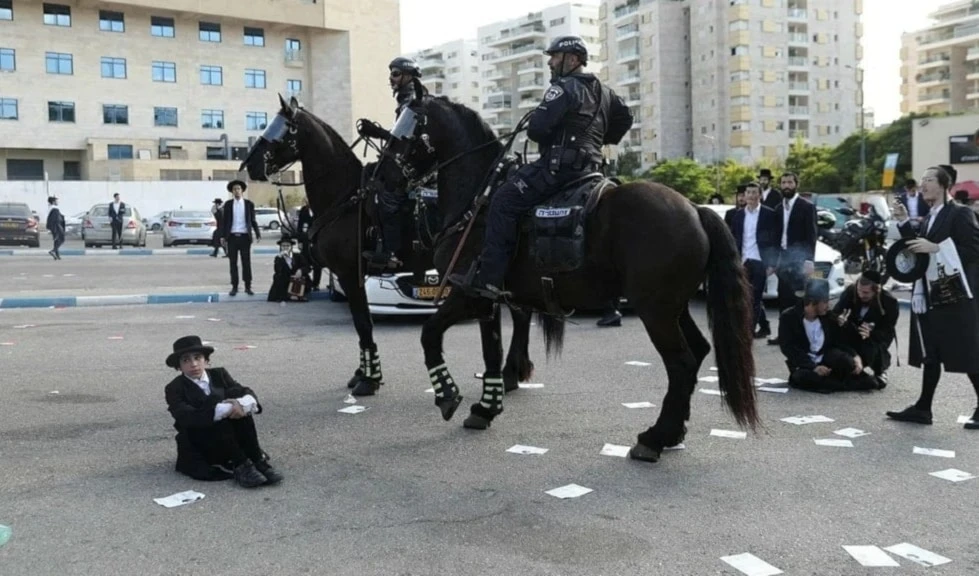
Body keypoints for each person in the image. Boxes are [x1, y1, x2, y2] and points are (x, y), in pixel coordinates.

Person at [449, 35, 634, 299]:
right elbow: (626, 117)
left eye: (555, 57)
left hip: (557, 170)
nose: (550, 62)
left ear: (572, 60)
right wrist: (599, 138)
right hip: (591, 171)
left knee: (503, 200)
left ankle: (489, 279)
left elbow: (537, 130)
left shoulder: (563, 88)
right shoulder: (606, 92)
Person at [886, 165, 979, 429]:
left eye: (929, 179)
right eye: (923, 179)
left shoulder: (960, 213)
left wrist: (938, 247)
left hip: (957, 297)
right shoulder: (930, 216)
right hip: (933, 294)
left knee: (967, 352)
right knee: (933, 352)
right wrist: (904, 222)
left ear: (943, 185)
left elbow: (973, 250)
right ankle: (923, 408)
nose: (923, 183)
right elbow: (919, 251)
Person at [163, 335, 283, 488]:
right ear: (179, 367)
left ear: (206, 360)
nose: (193, 364)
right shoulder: (175, 388)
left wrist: (242, 403)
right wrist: (225, 409)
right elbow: (187, 416)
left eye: (197, 358)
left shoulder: (219, 374)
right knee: (220, 414)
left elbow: (242, 390)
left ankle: (257, 460)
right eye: (186, 360)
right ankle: (241, 466)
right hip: (200, 439)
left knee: (241, 409)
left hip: (230, 436)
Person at [356, 57, 429, 269]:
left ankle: (391, 252)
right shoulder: (405, 99)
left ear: (409, 76)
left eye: (396, 73)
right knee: (368, 174)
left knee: (387, 198)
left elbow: (404, 138)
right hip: (404, 161)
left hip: (417, 166)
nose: (391, 78)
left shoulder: (414, 100)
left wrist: (376, 132)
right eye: (391, 74)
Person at [778, 279, 881, 394]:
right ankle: (841, 383)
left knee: (848, 363)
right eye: (825, 302)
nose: (828, 306)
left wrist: (855, 356)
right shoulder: (789, 317)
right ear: (813, 303)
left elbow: (840, 342)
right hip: (804, 364)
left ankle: (832, 383)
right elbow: (788, 348)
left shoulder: (828, 317)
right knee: (803, 377)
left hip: (826, 359)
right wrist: (813, 367)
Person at [768, 172, 817, 346]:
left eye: (789, 182)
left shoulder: (806, 206)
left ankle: (801, 336)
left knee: (799, 301)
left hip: (799, 260)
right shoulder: (778, 208)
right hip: (783, 261)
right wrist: (773, 263)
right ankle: (783, 336)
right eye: (783, 182)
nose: (786, 185)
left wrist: (809, 261)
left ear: (796, 184)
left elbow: (811, 235)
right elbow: (775, 237)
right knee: (783, 300)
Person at [832, 270, 899, 388]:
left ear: (876, 290)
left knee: (872, 347)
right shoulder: (851, 292)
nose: (861, 295)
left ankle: (879, 370)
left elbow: (888, 332)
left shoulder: (889, 302)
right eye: (859, 291)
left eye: (866, 292)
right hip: (850, 333)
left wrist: (871, 333)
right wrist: (839, 319)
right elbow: (835, 312)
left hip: (873, 340)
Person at [729, 182, 779, 338]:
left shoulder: (769, 214)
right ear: (744, 195)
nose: (750, 195)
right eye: (748, 192)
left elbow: (775, 241)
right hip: (742, 262)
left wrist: (773, 264)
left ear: (760, 195)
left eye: (754, 192)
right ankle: (754, 327)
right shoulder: (738, 215)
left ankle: (748, 332)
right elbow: (733, 239)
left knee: (755, 299)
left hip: (760, 262)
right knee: (742, 298)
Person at [220, 180, 262, 296]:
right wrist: (223, 236)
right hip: (232, 237)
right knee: (233, 263)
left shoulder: (249, 204)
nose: (237, 191)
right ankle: (234, 287)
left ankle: (248, 286)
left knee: (246, 262)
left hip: (245, 237)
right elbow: (224, 222)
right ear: (232, 192)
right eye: (234, 189)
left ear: (242, 190)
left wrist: (257, 232)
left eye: (238, 189)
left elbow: (253, 220)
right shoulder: (228, 204)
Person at [268, 235, 311, 302]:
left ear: (291, 247)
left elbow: (307, 267)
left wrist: (301, 270)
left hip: (297, 280)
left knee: (304, 278)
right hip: (285, 281)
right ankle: (287, 296)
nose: (285, 248)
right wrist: (280, 259)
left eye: (287, 246)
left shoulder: (298, 256)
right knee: (277, 277)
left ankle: (297, 295)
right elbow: (277, 270)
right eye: (283, 246)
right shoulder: (278, 258)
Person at [297, 198, 322, 290]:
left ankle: (316, 284)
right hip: (305, 240)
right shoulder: (303, 210)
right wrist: (299, 241)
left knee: (317, 263)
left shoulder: (318, 209)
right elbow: (300, 226)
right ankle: (306, 283)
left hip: (316, 240)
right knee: (304, 261)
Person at [46, 195, 65, 260]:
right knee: (62, 239)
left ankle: (57, 255)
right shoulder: (55, 209)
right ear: (53, 202)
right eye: (56, 200)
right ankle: (53, 251)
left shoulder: (51, 208)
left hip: (53, 227)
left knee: (56, 241)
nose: (57, 201)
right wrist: (58, 228)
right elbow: (56, 219)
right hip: (57, 226)